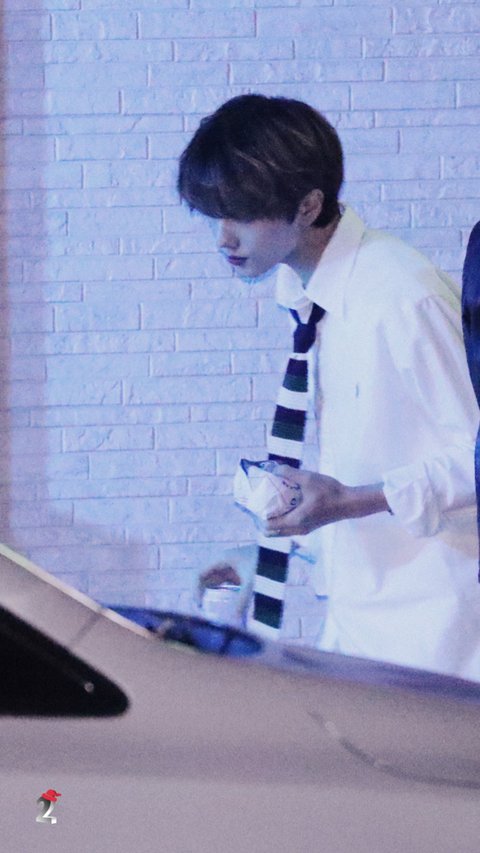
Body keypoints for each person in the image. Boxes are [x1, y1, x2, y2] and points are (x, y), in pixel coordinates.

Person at [177, 93, 480, 680]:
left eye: (242, 215)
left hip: (437, 640)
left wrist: (350, 501)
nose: (223, 238)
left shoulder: (401, 297)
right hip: (361, 621)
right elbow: (365, 461)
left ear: (308, 206)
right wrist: (270, 555)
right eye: (215, 215)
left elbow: (477, 461)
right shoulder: (309, 297)